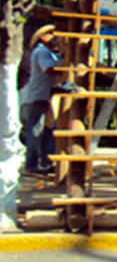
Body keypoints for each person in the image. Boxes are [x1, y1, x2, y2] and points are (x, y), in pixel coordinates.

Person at [20, 26, 63, 174]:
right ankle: (32, 164)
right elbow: (49, 70)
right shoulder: (42, 52)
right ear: (43, 37)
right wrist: (68, 67)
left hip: (43, 96)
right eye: (52, 35)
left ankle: (45, 161)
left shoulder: (49, 53)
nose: (55, 39)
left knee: (46, 130)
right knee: (36, 131)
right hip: (37, 96)